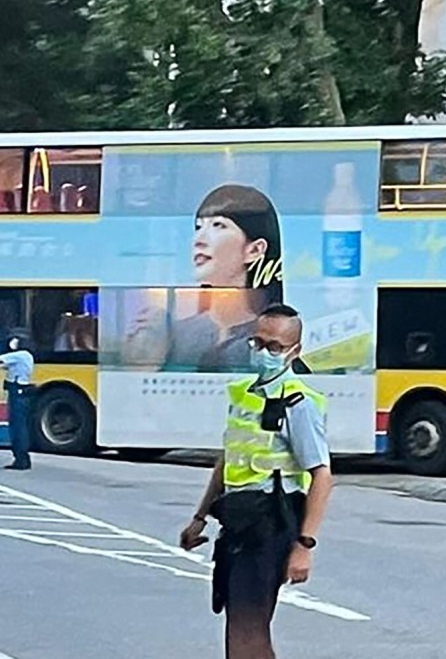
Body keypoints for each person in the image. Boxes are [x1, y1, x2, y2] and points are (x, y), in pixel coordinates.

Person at [179, 304, 331, 659]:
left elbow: (322, 475)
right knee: (241, 630)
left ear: (295, 352)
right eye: (258, 342)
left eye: (275, 347)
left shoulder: (297, 403)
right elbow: (227, 460)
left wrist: (304, 545)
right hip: (238, 523)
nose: (263, 352)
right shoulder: (245, 394)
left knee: (248, 631)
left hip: (271, 525)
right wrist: (200, 516)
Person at [125, 184, 284, 372]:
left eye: (218, 225)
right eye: (199, 227)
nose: (199, 239)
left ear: (254, 250)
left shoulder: (276, 336)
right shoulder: (177, 334)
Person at [1, 334, 34, 471]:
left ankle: (21, 459)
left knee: (17, 427)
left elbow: (2, 359)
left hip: (17, 392)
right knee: (20, 426)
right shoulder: (26, 356)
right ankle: (22, 458)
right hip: (22, 392)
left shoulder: (20, 354)